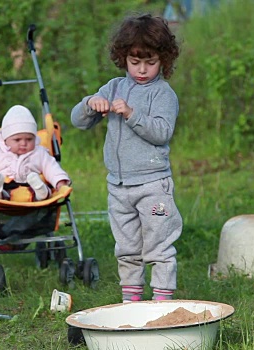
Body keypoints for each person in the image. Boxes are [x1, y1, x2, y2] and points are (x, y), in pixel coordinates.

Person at [70, 14, 182, 302]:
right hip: (119, 187)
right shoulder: (114, 87)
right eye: (135, 62)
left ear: (164, 59)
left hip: (153, 185)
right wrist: (89, 105)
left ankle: (162, 300)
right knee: (127, 247)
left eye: (150, 62)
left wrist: (132, 115)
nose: (142, 70)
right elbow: (78, 121)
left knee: (158, 244)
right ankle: (131, 300)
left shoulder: (163, 94)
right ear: (123, 58)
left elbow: (162, 132)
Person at [0, 105, 70, 202]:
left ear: (35, 138)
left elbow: (51, 168)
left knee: (43, 187)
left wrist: (60, 182)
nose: (23, 143)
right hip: (6, 188)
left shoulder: (39, 152)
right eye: (17, 140)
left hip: (31, 189)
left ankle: (41, 192)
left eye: (29, 139)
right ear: (5, 139)